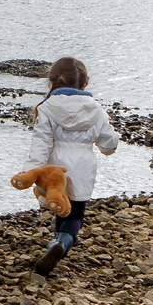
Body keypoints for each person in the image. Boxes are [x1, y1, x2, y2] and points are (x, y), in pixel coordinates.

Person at [26, 57, 121, 275]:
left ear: (52, 81)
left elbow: (40, 142)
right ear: (85, 83)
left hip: (55, 169)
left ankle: (56, 243)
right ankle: (61, 243)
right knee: (75, 213)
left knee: (61, 205)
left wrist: (32, 170)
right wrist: (110, 144)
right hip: (83, 167)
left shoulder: (47, 107)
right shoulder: (95, 109)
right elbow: (108, 143)